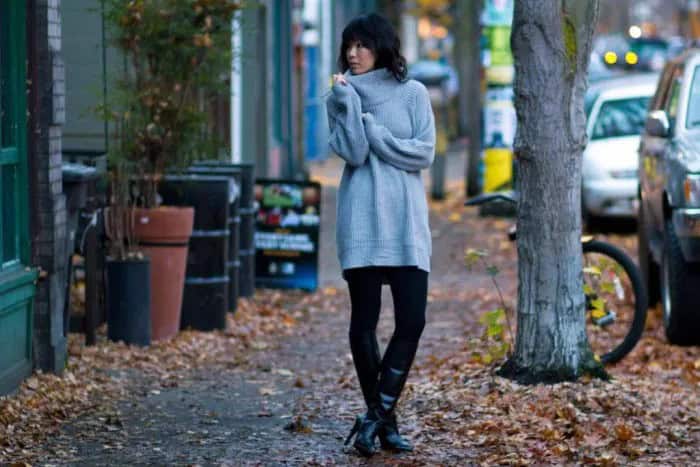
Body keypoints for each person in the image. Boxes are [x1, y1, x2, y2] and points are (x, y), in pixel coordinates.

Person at [325, 13, 435, 457]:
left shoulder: (413, 94)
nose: (353, 54)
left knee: (413, 321)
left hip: (406, 222)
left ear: (382, 48)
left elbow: (422, 153)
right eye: (348, 46)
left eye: (362, 46)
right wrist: (349, 107)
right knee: (363, 325)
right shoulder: (340, 95)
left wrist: (376, 131)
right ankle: (384, 423)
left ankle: (372, 419)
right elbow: (352, 152)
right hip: (361, 221)